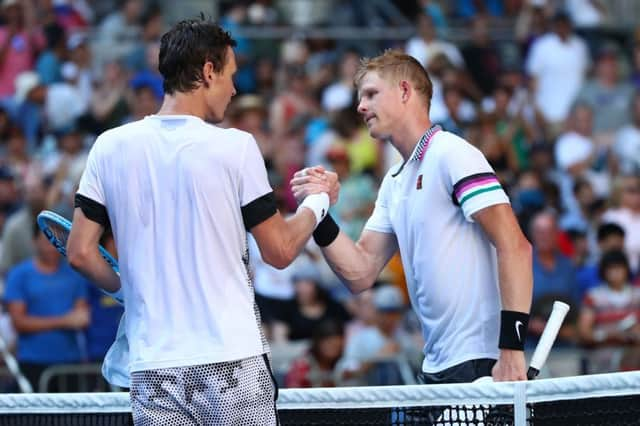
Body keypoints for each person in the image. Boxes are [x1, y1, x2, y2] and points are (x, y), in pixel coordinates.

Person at [66, 18, 335, 425]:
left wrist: (125, 289)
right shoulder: (236, 147)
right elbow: (279, 251)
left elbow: (82, 254)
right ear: (208, 71)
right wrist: (317, 203)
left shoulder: (109, 146)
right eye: (230, 75)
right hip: (231, 361)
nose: (235, 88)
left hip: (153, 369)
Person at [292, 49, 533, 383]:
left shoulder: (453, 153)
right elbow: (359, 272)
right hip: (435, 366)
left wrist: (511, 350)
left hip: (482, 361)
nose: (361, 106)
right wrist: (319, 211)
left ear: (405, 91)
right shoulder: (394, 181)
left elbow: (516, 247)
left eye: (371, 94)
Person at [4, 222, 90, 391]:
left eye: (55, 240)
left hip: (70, 364)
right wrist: (64, 321)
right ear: (34, 241)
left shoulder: (75, 274)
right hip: (32, 362)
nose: (50, 246)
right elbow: (19, 322)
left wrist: (69, 320)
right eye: (46, 240)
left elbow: (82, 318)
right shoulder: (19, 275)